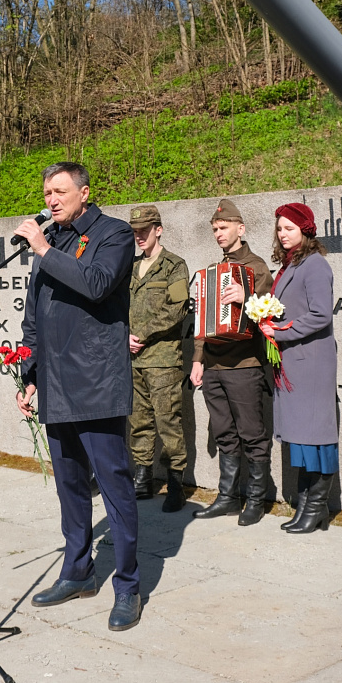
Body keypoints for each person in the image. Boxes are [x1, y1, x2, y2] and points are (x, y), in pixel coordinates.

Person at [14, 162, 141, 632]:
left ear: (84, 192)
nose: (50, 200)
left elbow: (97, 284)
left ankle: (128, 586)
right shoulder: (56, 241)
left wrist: (44, 247)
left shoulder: (114, 234)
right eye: (46, 192)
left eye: (60, 191)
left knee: (114, 487)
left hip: (97, 384)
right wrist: (29, 374)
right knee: (69, 488)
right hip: (55, 385)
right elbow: (35, 317)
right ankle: (79, 572)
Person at [190, 198, 274, 526]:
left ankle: (255, 499)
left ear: (241, 228)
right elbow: (204, 320)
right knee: (224, 433)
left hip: (244, 364)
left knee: (252, 433)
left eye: (223, 228)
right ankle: (227, 498)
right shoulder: (212, 271)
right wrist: (198, 359)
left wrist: (247, 298)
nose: (218, 234)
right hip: (213, 366)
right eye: (214, 229)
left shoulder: (256, 267)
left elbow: (269, 315)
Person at [268, 203, 338, 535]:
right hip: (294, 362)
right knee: (302, 437)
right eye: (280, 229)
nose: (283, 234)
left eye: (289, 228)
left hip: (311, 363)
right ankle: (306, 505)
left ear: (305, 230)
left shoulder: (315, 265)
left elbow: (321, 315)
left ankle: (317, 507)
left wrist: (282, 331)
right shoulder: (290, 265)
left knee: (315, 436)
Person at [128, 204, 190, 512]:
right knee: (139, 421)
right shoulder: (130, 266)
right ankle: (142, 478)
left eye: (144, 231)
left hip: (162, 359)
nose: (139, 236)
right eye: (135, 232)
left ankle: (176, 483)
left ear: (159, 230)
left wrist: (142, 335)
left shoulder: (174, 266)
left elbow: (176, 309)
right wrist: (125, 335)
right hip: (134, 360)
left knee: (168, 421)